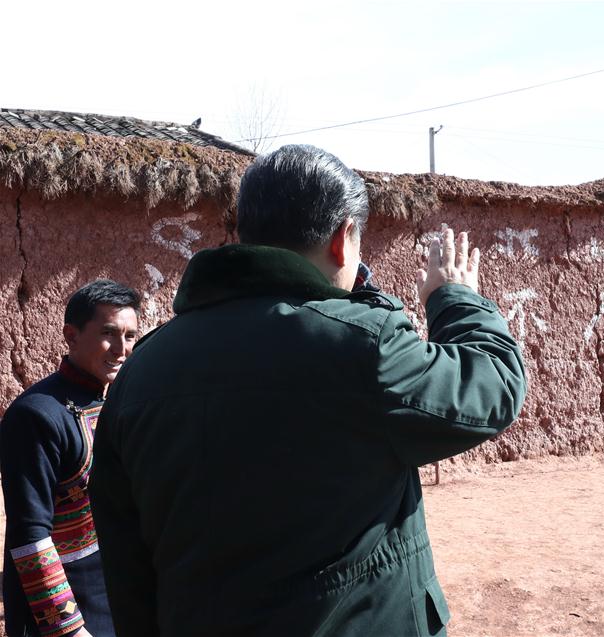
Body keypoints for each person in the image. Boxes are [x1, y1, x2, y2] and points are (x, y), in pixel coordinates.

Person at [88, 144, 527, 637]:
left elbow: (126, 567)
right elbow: (492, 384)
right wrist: (454, 297)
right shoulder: (363, 349)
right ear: (344, 238)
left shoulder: (140, 371)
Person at [1, 279, 140, 637]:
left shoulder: (117, 401)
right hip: (63, 607)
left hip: (113, 590)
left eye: (130, 336)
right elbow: (30, 535)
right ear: (71, 335)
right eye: (109, 333)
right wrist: (70, 629)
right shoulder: (37, 416)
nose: (121, 349)